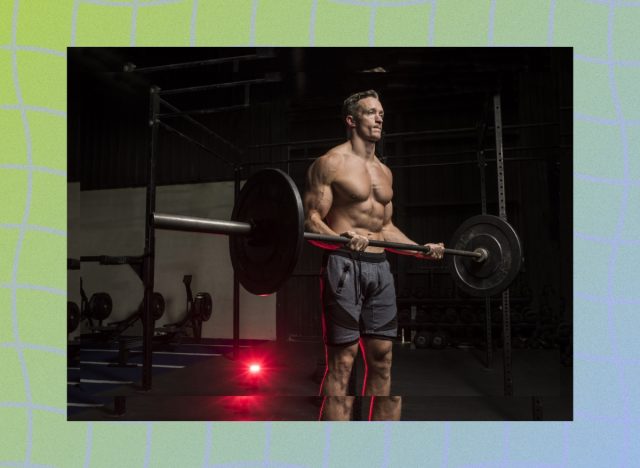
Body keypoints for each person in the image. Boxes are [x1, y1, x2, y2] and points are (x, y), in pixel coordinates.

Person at [303, 90, 445, 421]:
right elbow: (311, 220)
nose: (380, 117)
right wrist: (340, 238)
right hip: (344, 267)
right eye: (370, 112)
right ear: (351, 120)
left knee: (382, 360)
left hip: (381, 269)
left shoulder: (384, 171)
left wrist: (419, 249)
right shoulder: (330, 163)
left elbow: (386, 227)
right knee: (343, 362)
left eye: (381, 112)